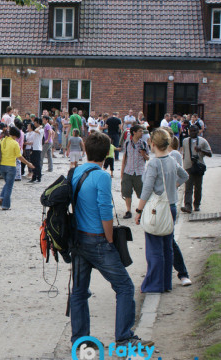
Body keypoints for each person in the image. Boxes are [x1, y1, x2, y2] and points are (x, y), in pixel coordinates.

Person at [69, 132, 153, 349]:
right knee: (124, 286)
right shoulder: (102, 176)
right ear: (107, 154)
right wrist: (109, 239)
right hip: (97, 239)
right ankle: (124, 337)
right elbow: (105, 211)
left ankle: (80, 340)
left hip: (78, 239)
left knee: (79, 291)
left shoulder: (76, 171)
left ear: (86, 150)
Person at [134, 129, 189, 293]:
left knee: (154, 249)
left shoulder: (154, 163)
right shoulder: (172, 159)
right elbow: (184, 175)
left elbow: (146, 190)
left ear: (152, 143)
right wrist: (173, 187)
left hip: (157, 209)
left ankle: (154, 284)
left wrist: (139, 210)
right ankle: (166, 283)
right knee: (167, 248)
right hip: (171, 206)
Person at [168, 136, 193, 286]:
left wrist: (174, 186)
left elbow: (183, 175)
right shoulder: (154, 162)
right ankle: (161, 278)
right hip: (159, 206)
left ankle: (182, 273)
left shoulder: (172, 157)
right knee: (160, 244)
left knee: (169, 241)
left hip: (168, 204)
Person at [0, 126, 33, 210]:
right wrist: (28, 163)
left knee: (7, 184)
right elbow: (19, 157)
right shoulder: (14, 143)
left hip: (2, 166)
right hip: (11, 166)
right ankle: (5, 205)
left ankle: (1, 197)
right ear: (15, 136)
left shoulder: (1, 141)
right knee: (9, 186)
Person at [181, 125, 212, 213]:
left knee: (198, 187)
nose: (192, 133)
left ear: (198, 131)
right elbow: (184, 153)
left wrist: (201, 150)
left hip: (199, 166)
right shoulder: (185, 141)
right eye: (191, 131)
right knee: (188, 187)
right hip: (188, 166)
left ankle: (197, 204)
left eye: (194, 131)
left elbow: (210, 154)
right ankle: (188, 206)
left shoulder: (203, 141)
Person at [121, 125, 149, 219]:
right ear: (134, 132)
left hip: (140, 172)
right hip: (128, 171)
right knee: (127, 192)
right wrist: (122, 171)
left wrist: (144, 154)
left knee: (141, 192)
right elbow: (125, 157)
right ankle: (128, 210)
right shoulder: (127, 143)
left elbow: (148, 158)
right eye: (140, 131)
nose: (142, 133)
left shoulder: (144, 143)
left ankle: (142, 210)